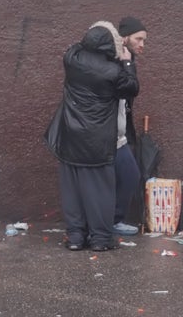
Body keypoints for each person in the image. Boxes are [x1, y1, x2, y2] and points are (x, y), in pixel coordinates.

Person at [44, 21, 139, 251]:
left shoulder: (71, 59)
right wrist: (126, 60)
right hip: (97, 141)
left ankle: (76, 238)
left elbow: (75, 46)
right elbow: (131, 87)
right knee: (101, 193)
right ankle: (100, 239)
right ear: (111, 45)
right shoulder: (114, 72)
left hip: (69, 137)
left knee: (72, 193)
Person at [112, 16, 148, 236]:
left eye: (144, 40)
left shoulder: (127, 61)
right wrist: (126, 64)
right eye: (139, 39)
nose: (142, 44)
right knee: (121, 176)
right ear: (124, 38)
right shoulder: (115, 61)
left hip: (120, 133)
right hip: (108, 134)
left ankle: (113, 220)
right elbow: (128, 89)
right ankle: (107, 221)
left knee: (130, 175)